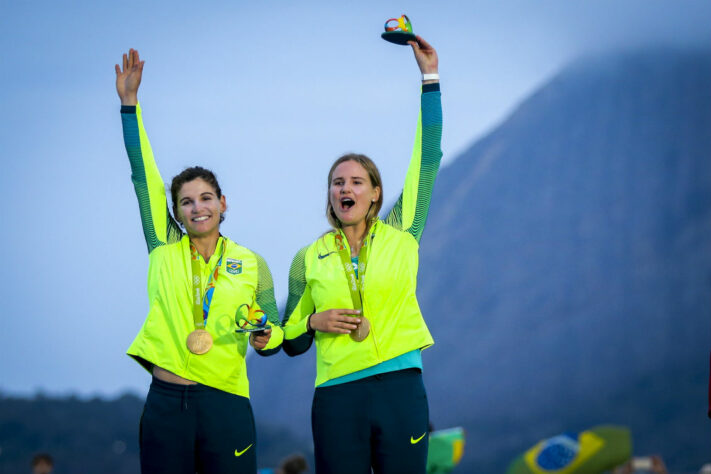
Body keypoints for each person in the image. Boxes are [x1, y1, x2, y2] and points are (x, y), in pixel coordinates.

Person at [115, 48, 283, 473]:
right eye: (186, 202)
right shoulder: (164, 247)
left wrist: (267, 338)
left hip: (226, 402)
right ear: (176, 213)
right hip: (167, 402)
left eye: (206, 198)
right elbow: (142, 176)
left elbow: (274, 324)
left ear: (223, 203)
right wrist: (129, 106)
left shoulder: (252, 262)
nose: (197, 208)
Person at [280, 36, 442, 473]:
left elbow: (427, 160)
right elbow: (290, 341)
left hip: (399, 385)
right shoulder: (308, 258)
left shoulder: (402, 231)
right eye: (337, 182)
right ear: (329, 195)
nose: (345, 188)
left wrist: (430, 79)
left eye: (355, 182)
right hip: (336, 393)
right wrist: (314, 321)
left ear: (375, 195)